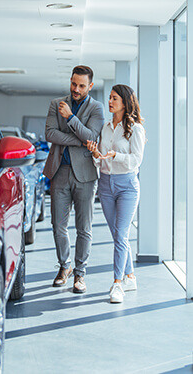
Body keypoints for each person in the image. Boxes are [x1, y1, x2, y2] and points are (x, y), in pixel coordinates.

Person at [43, 65, 105, 293]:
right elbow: (49, 134)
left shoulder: (96, 108)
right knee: (58, 226)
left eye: (81, 85)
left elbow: (92, 136)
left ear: (90, 86)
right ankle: (64, 266)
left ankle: (80, 273)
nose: (76, 89)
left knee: (84, 228)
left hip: (86, 175)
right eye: (73, 83)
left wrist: (70, 118)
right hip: (59, 171)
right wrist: (79, 140)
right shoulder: (55, 103)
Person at [87, 84, 145, 303]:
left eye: (114, 99)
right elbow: (100, 159)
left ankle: (117, 284)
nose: (110, 102)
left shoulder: (135, 128)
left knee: (121, 235)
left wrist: (116, 156)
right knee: (117, 236)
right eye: (110, 98)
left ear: (125, 102)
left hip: (127, 186)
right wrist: (96, 154)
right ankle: (130, 276)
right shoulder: (106, 127)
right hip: (105, 185)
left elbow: (136, 160)